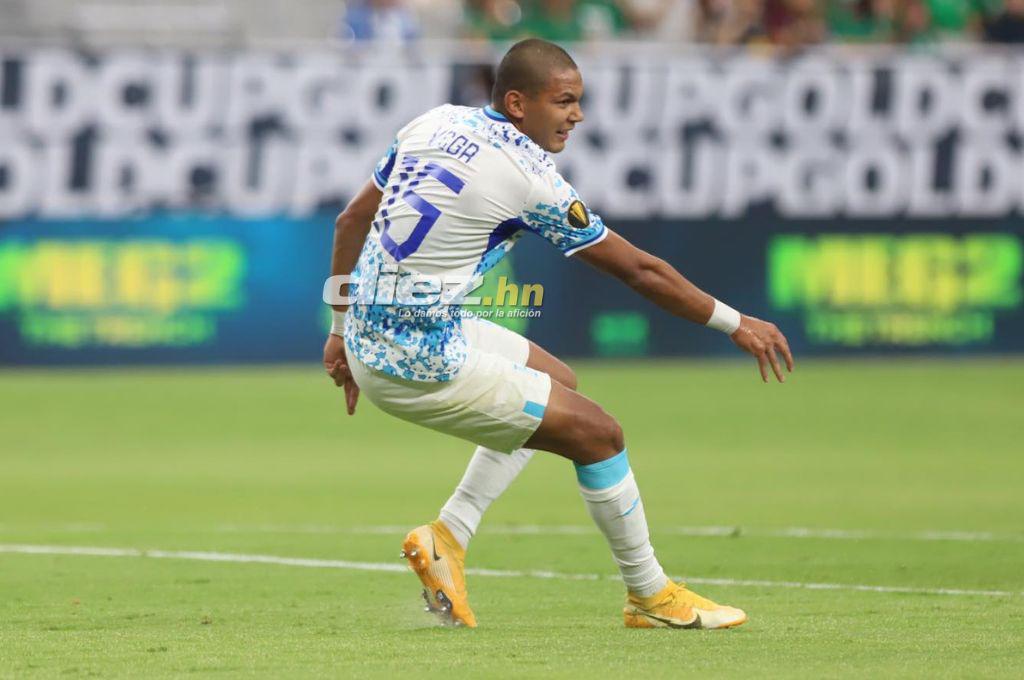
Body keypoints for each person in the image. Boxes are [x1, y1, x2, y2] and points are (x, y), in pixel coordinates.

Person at [323, 38, 793, 630]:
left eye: (579, 101)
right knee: (600, 434)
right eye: (565, 101)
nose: (577, 115)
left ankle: (449, 536)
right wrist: (735, 322)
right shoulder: (528, 177)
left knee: (556, 382)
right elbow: (638, 270)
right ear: (518, 103)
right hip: (416, 358)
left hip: (372, 328)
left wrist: (340, 330)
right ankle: (649, 594)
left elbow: (351, 219)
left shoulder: (434, 122)